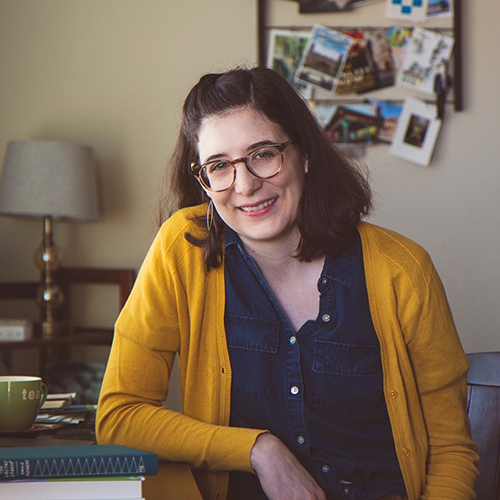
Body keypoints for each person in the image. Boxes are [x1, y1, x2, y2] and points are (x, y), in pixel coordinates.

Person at [96, 66, 478, 500]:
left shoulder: (403, 270)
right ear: (202, 178)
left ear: (305, 154)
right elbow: (119, 415)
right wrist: (258, 449)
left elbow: (450, 450)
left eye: (263, 154)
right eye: (219, 166)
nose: (245, 185)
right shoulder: (180, 250)